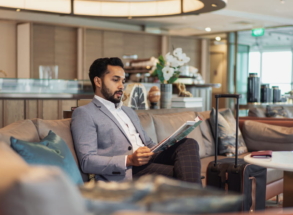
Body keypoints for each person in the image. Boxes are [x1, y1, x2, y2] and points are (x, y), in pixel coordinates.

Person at [71, 57, 201, 184]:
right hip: (128, 170)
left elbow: (148, 143)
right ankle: (201, 203)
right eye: (115, 80)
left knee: (188, 143)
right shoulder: (84, 113)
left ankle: (196, 203)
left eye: (123, 81)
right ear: (98, 82)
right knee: (183, 173)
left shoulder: (129, 111)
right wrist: (129, 160)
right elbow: (86, 161)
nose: (121, 86)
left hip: (148, 159)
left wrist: (164, 144)